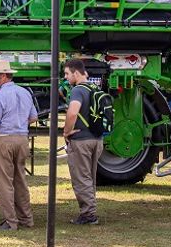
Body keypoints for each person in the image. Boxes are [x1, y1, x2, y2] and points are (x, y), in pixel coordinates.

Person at [0, 59, 37, 231]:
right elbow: (34, 117)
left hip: (4, 140)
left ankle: (10, 221)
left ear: (3, 76)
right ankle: (26, 219)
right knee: (20, 180)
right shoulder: (25, 92)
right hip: (21, 139)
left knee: (2, 182)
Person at [63, 59, 104, 225]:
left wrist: (66, 132)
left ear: (76, 73)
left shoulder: (77, 90)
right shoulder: (95, 88)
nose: (66, 78)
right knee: (90, 178)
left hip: (81, 140)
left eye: (67, 74)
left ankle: (89, 215)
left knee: (81, 179)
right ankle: (90, 211)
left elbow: (73, 113)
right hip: (97, 139)